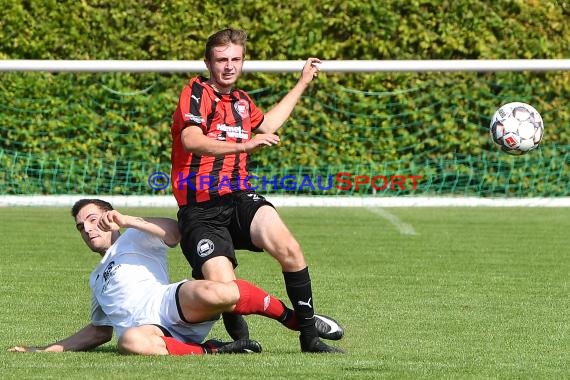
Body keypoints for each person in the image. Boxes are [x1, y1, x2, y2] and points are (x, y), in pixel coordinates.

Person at [170, 27, 343, 353]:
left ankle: (309, 338)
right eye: (221, 59)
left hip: (238, 198)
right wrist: (244, 145)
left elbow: (267, 125)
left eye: (235, 59)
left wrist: (302, 82)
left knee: (288, 247)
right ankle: (244, 339)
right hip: (200, 209)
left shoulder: (242, 101)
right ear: (208, 61)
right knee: (225, 291)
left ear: (243, 61)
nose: (229, 66)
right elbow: (190, 139)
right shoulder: (196, 92)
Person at [8, 199, 343, 355]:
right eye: (81, 226)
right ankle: (213, 351)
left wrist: (127, 221)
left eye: (93, 219)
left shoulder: (132, 237)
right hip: (150, 333)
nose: (88, 228)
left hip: (170, 304)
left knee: (222, 292)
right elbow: (99, 331)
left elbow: (174, 230)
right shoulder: (96, 279)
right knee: (129, 343)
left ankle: (299, 322)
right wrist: (48, 349)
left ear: (108, 216)